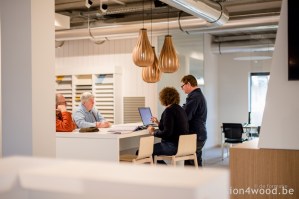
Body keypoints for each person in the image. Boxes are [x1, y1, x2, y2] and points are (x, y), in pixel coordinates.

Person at [147, 87, 189, 161]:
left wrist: (153, 132)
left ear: (163, 98)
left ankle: (164, 171)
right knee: (153, 153)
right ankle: (163, 171)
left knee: (143, 152)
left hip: (172, 146)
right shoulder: (180, 109)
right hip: (183, 146)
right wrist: (157, 122)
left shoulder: (169, 111)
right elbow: (170, 126)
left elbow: (167, 133)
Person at [181, 74, 207, 167]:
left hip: (195, 135)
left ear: (188, 84)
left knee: (191, 163)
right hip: (200, 134)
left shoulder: (194, 97)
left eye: (182, 86)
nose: (182, 88)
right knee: (195, 161)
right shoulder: (198, 95)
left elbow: (186, 116)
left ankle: (194, 181)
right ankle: (198, 181)